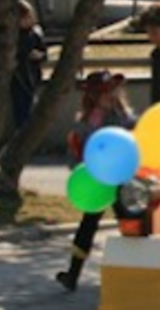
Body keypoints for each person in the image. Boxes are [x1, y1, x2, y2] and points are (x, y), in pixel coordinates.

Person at [57, 71, 136, 292]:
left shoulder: (122, 116)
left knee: (130, 221)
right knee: (88, 225)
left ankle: (140, 271)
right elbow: (76, 151)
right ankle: (72, 274)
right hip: (97, 180)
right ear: (92, 96)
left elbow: (134, 139)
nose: (111, 95)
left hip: (122, 178)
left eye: (113, 91)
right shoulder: (85, 121)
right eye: (105, 92)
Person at [12, 0, 47, 130]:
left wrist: (39, 55)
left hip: (32, 75)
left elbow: (44, 53)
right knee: (21, 110)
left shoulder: (35, 33)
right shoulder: (14, 35)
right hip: (18, 77)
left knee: (32, 109)